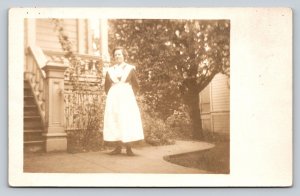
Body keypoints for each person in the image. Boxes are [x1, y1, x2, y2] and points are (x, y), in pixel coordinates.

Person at [103, 47, 144, 156]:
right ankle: (117, 147)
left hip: (127, 99)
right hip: (114, 99)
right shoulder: (110, 70)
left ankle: (129, 148)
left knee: (127, 120)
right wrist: (112, 96)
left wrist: (129, 96)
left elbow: (136, 85)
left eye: (119, 54)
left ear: (124, 56)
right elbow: (106, 86)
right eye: (115, 55)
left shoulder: (130, 69)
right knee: (115, 120)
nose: (117, 56)